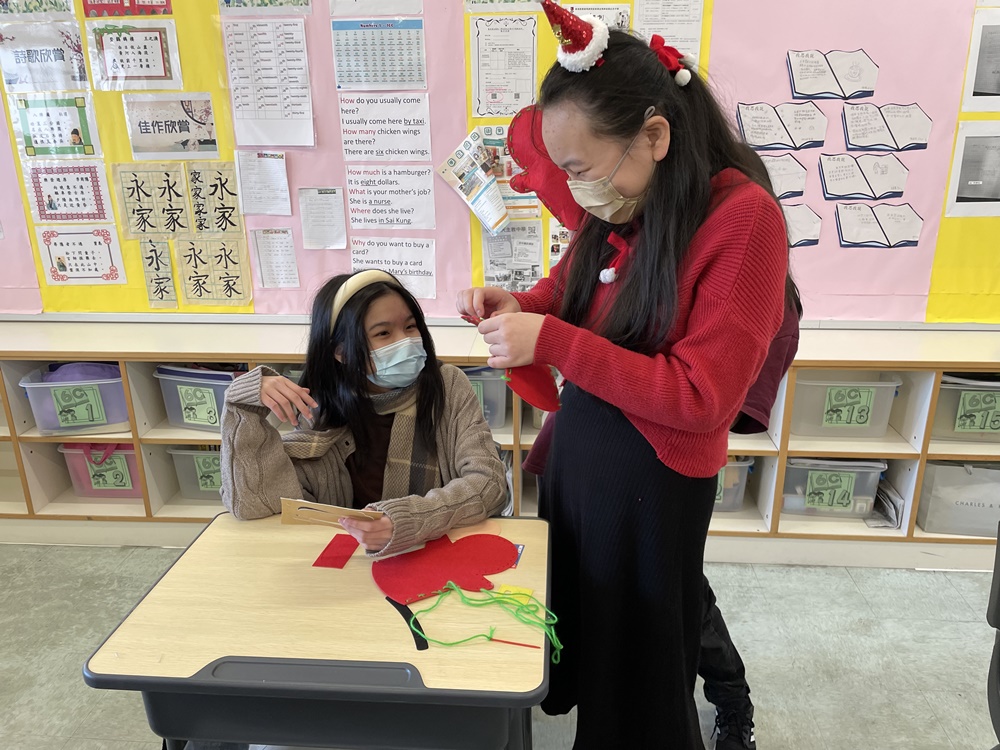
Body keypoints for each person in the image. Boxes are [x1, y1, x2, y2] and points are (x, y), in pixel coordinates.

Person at [457, 4, 790, 747]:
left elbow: (701, 397)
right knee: (589, 635)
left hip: (654, 483)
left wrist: (552, 341)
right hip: (585, 456)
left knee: (639, 681)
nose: (574, 188)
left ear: (655, 136)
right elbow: (568, 291)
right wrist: (517, 307)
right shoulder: (627, 199)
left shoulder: (743, 222)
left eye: (579, 169)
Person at [202, 269, 508, 750]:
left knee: (433, 714)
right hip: (340, 586)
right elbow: (259, 507)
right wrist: (243, 408)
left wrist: (406, 521)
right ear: (342, 351)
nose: (406, 341)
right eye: (383, 333)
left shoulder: (447, 386)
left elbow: (488, 484)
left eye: (411, 326)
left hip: (428, 581)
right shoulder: (316, 404)